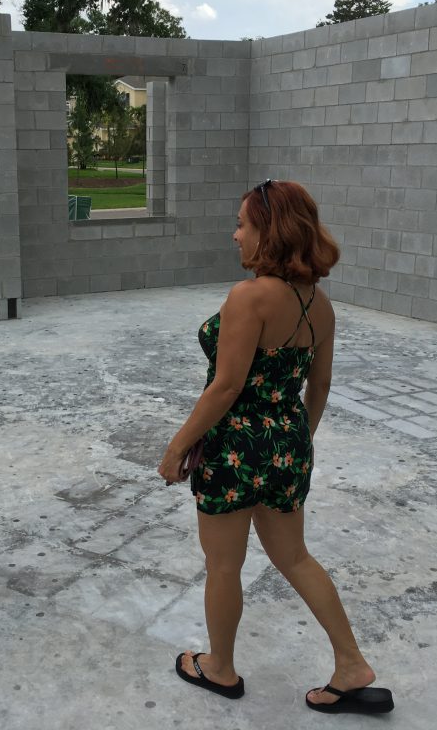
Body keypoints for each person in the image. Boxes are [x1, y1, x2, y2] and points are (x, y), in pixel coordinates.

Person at [158, 180, 393, 714]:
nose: (235, 233)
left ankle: (219, 667)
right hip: (287, 442)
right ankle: (351, 663)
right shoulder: (319, 304)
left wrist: (177, 447)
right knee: (295, 557)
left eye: (242, 223)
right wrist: (294, 442)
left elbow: (226, 386)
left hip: (233, 449)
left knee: (223, 565)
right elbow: (321, 385)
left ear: (270, 230)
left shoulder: (251, 296)